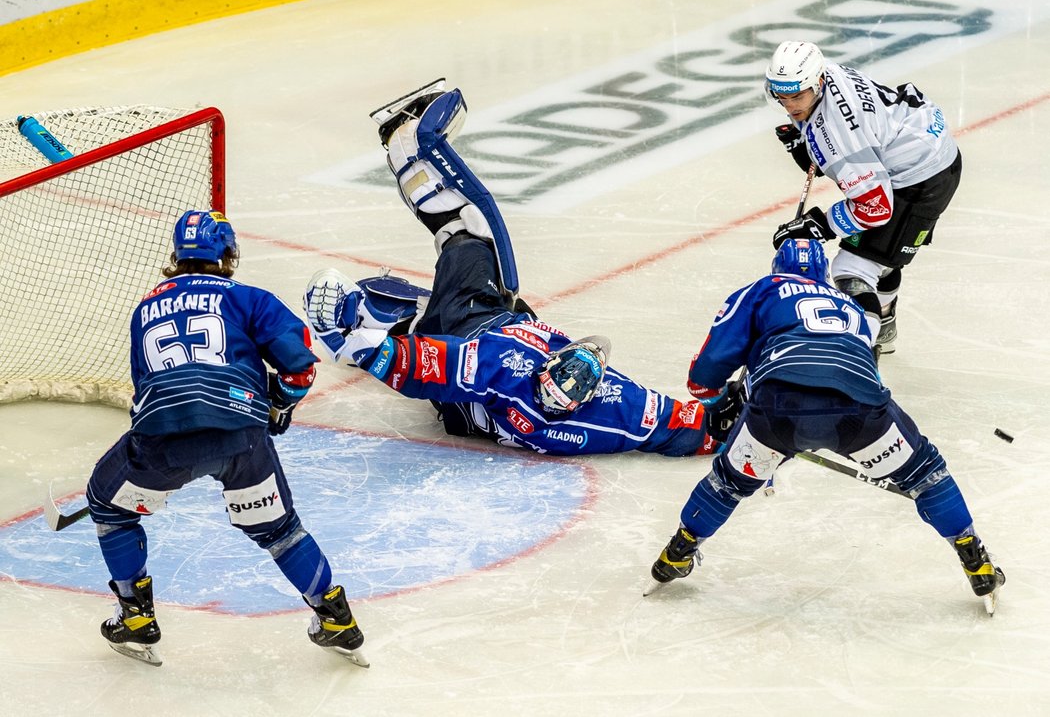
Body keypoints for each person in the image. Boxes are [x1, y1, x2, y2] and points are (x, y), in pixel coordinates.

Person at [303, 82, 731, 458]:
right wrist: (732, 425)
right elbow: (676, 428)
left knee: (469, 230)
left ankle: (408, 144)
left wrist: (356, 348)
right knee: (412, 315)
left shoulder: (507, 370)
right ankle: (382, 317)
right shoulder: (604, 415)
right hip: (460, 406)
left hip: (474, 326)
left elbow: (419, 368)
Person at [646, 238, 1005, 613]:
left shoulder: (763, 289)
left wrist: (722, 405)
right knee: (926, 474)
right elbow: (857, 363)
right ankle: (973, 556)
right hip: (860, 409)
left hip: (778, 410)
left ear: (776, 267)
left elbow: (706, 373)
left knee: (727, 484)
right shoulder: (848, 306)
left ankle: (678, 552)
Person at [85, 210, 367, 667]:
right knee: (279, 530)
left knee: (107, 505)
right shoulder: (250, 299)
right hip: (242, 437)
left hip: (163, 439)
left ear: (176, 257)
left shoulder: (144, 308)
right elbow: (300, 369)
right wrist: (276, 402)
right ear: (229, 255)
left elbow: (149, 389)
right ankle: (334, 619)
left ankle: (136, 617)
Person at [765, 40, 963, 360]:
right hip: (923, 149)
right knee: (882, 258)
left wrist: (820, 225)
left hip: (920, 180)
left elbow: (875, 208)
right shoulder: (830, 73)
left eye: (797, 96)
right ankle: (883, 323)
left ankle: (860, 361)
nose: (789, 105)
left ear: (817, 83)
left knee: (852, 271)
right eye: (782, 96)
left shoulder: (840, 135)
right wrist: (809, 138)